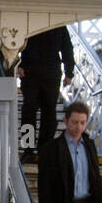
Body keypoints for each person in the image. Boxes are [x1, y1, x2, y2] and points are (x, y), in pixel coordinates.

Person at [18, 25, 75, 160]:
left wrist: (69, 72)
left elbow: (67, 48)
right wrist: (18, 64)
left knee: (46, 112)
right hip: (35, 71)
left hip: (44, 72)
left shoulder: (57, 24)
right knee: (30, 110)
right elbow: (67, 48)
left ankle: (43, 150)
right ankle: (29, 149)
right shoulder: (56, 23)